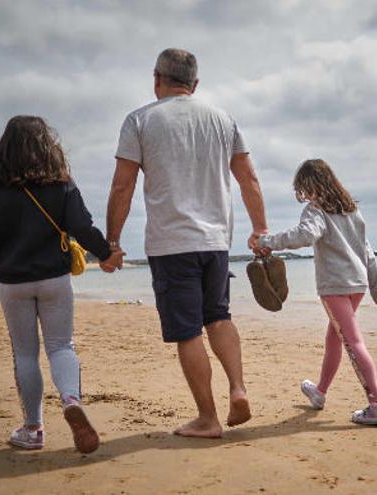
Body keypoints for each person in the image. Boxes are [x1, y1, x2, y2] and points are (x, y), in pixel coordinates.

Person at [106, 48, 268, 438]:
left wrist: (111, 240)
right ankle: (238, 387)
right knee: (219, 317)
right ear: (194, 85)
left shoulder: (140, 120)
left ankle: (208, 419)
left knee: (187, 332)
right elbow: (249, 179)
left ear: (157, 79)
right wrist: (260, 229)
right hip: (216, 242)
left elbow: (122, 185)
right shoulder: (222, 119)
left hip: (171, 243)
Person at [0, 116, 122, 453]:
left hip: (12, 282)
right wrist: (106, 255)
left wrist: (8, 230)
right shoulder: (62, 184)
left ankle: (33, 429)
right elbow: (82, 227)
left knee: (25, 353)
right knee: (61, 346)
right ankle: (71, 400)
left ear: (4, 148)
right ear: (47, 145)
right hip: (54, 279)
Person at [254, 159, 377, 425]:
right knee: (335, 337)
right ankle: (320, 392)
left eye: (303, 190)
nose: (304, 196)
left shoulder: (316, 210)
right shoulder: (352, 211)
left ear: (310, 185)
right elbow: (367, 251)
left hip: (335, 285)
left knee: (353, 342)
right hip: (357, 283)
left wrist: (266, 242)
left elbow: (306, 236)